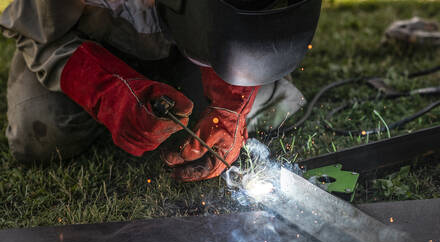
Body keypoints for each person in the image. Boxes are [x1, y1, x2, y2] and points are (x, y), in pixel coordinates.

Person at [0, 0, 321, 181]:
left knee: (279, 105)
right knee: (40, 133)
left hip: (188, 50)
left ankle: (245, 88)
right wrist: (108, 93)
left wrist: (230, 102)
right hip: (84, 46)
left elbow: (245, 22)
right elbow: (41, 33)